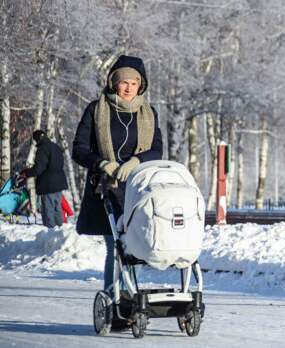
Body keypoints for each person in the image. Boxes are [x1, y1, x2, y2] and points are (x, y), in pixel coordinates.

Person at [72, 55, 163, 292]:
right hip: (106, 188)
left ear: (140, 85)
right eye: (124, 82)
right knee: (114, 246)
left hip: (137, 188)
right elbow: (79, 149)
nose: (128, 88)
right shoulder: (96, 110)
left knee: (135, 246)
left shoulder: (148, 113)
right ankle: (114, 296)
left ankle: (131, 294)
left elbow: (157, 150)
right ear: (114, 82)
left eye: (134, 83)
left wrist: (136, 161)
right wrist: (102, 164)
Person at [20, 130, 68, 228]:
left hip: (48, 183)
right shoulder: (55, 146)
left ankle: (50, 232)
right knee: (57, 207)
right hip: (59, 182)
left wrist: (27, 173)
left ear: (37, 139)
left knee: (48, 208)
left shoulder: (42, 148)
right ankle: (61, 229)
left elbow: (39, 168)